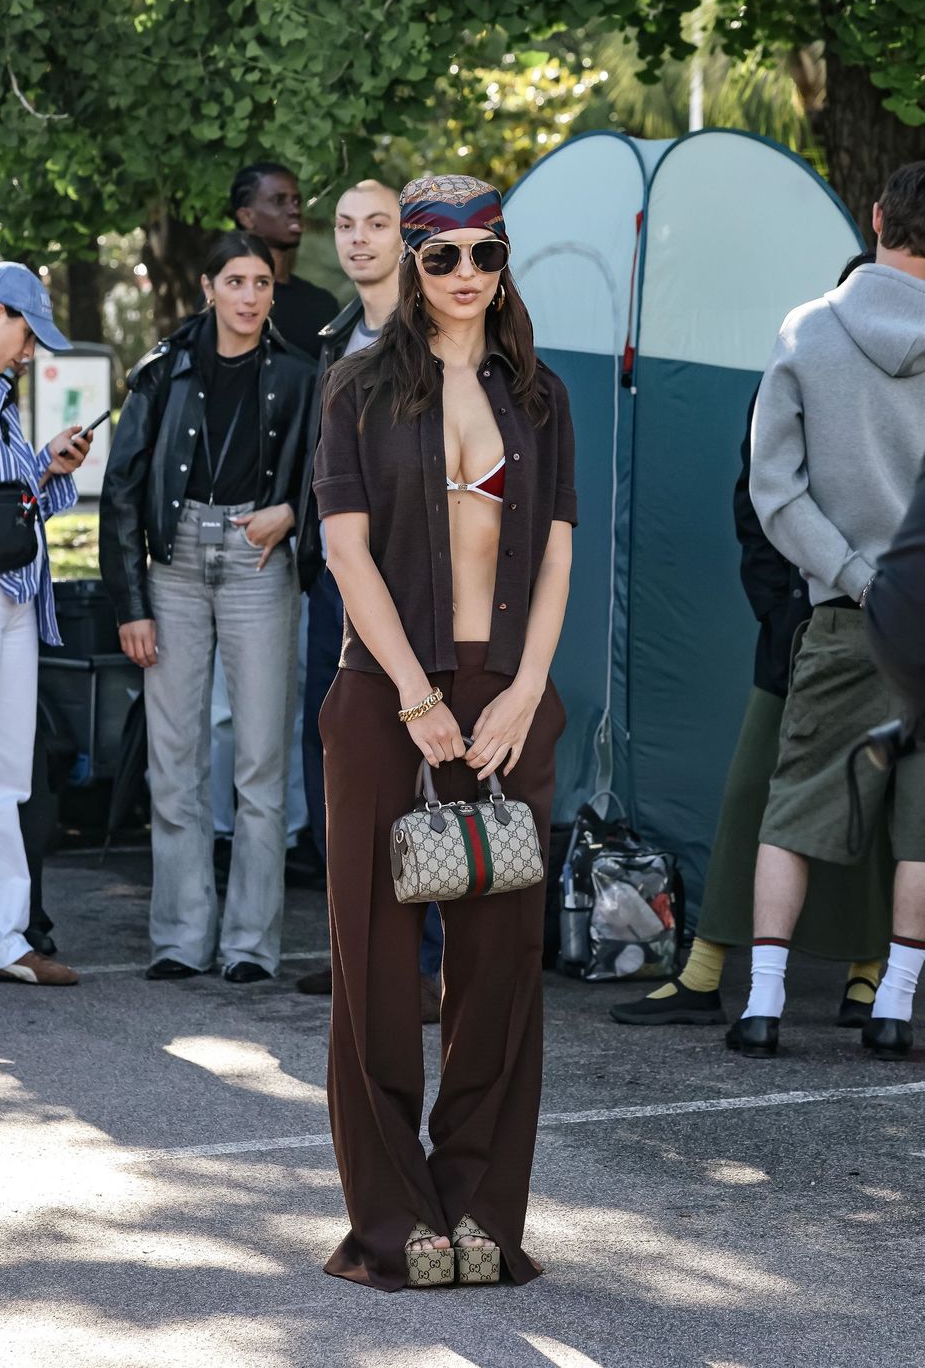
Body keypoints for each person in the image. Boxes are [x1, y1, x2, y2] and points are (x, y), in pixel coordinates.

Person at [314, 174, 576, 1290]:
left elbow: (559, 550)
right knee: (375, 971)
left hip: (511, 700)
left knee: (501, 972)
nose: (467, 274)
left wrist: (525, 692)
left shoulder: (542, 394)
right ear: (411, 270)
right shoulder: (358, 388)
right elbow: (344, 551)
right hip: (385, 703)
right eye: (443, 257)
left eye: (486, 253)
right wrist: (418, 699)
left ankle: (478, 1209)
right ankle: (392, 1222)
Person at [612, 253, 891, 1030]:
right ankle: (706, 974)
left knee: (881, 803)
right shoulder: (802, 358)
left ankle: (868, 979)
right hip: (806, 631)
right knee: (751, 803)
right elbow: (759, 504)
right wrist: (787, 610)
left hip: (880, 627)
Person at [728, 162, 925, 1059]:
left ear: (877, 218)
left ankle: (763, 1004)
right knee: (922, 825)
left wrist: (851, 574)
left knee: (794, 807)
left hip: (847, 613)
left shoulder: (807, 330)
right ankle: (895, 1007)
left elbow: (775, 492)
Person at [99, 231, 316, 983]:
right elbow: (122, 488)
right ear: (208, 287)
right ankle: (180, 937)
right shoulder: (166, 369)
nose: (251, 296)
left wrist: (290, 510)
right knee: (176, 760)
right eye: (236, 281)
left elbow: (329, 476)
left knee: (259, 762)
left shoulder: (300, 372)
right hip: (178, 566)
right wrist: (132, 603)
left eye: (262, 282)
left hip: (261, 563)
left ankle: (250, 944)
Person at [294, 178, 448, 1014]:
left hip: (416, 584)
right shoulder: (332, 339)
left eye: (377, 225)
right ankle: (360, 948)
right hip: (337, 581)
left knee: (424, 771)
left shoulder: (436, 337)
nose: (358, 239)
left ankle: (423, 960)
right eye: (347, 225)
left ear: (406, 238)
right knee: (344, 764)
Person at [0, 262, 91, 1001]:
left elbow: (9, 505)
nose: (29, 352)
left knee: (3, 778)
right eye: (25, 334)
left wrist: (47, 468)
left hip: (12, 594)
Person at [230, 162, 339, 359]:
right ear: (246, 217)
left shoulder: (322, 303)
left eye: (296, 201)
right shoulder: (223, 300)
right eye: (279, 201)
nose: (294, 210)